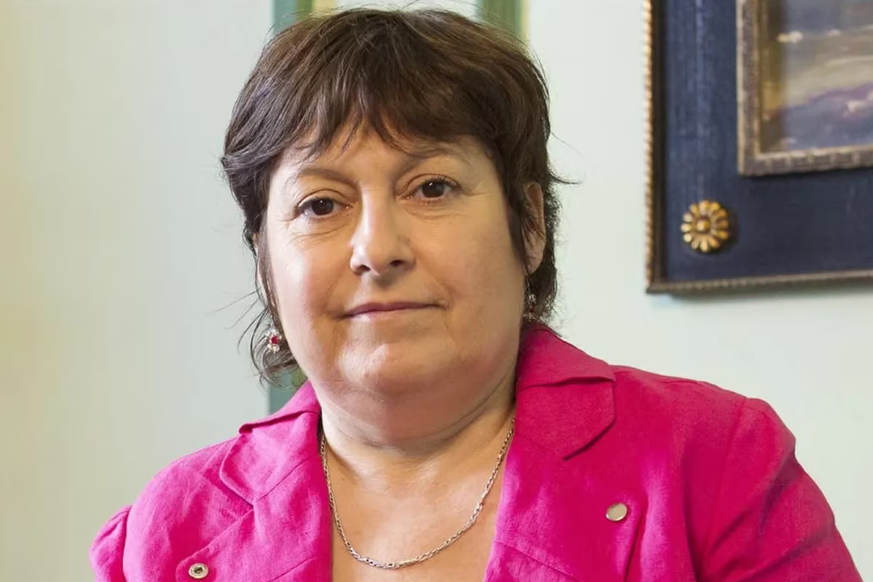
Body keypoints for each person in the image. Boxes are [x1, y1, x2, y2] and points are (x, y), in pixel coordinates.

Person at [90, 8, 861, 582]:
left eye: (431, 187)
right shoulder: (168, 531)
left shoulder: (713, 463)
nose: (376, 249)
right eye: (321, 204)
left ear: (528, 226)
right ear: (265, 262)